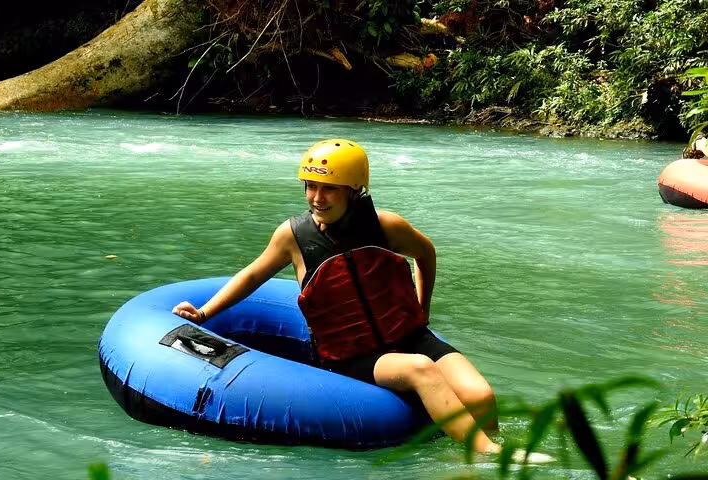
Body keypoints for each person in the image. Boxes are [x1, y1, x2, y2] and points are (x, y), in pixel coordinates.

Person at [173, 139, 552, 462]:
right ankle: (489, 453)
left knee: (481, 395)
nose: (317, 198)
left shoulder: (386, 226)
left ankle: (476, 462)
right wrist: (205, 312)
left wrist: (424, 308)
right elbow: (252, 276)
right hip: (354, 355)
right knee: (421, 370)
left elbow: (426, 253)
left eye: (330, 189)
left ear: (355, 191)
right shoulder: (293, 236)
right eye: (310, 187)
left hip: (409, 335)